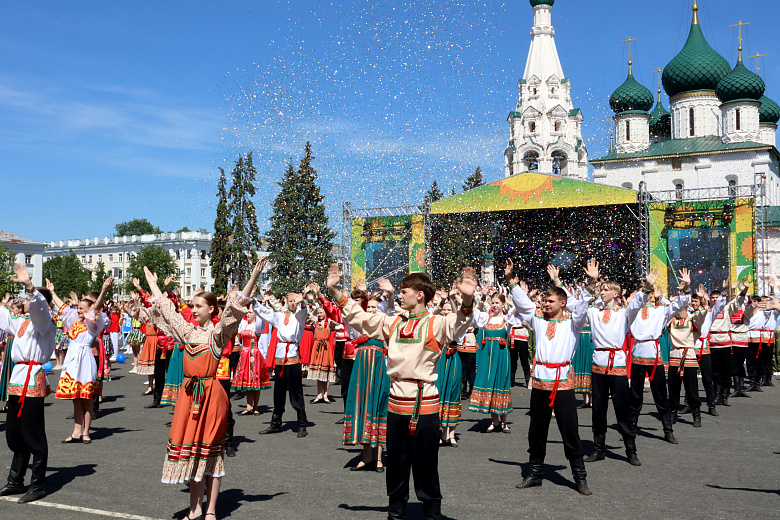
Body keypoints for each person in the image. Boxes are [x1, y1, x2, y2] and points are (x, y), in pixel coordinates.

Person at [327, 263, 476, 520]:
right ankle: (395, 514)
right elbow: (360, 319)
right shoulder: (393, 323)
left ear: (419, 295)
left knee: (426, 465)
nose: (399, 294)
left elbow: (461, 322)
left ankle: (431, 514)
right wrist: (334, 290)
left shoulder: (436, 324)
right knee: (396, 464)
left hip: (424, 404)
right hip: (396, 404)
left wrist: (469, 297)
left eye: (404, 290)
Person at [141, 261, 259, 520]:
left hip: (211, 395)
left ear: (211, 309)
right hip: (188, 396)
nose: (193, 310)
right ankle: (194, 509)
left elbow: (235, 311)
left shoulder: (217, 335)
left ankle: (211, 510)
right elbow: (168, 311)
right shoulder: (186, 331)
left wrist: (253, 276)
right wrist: (152, 284)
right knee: (192, 454)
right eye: (192, 306)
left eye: (198, 306)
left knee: (211, 454)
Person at [508, 259, 593, 495]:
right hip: (540, 381)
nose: (545, 304)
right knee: (536, 429)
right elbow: (523, 303)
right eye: (544, 300)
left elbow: (583, 307)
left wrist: (592, 283)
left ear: (563, 303)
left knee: (569, 430)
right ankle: (535, 473)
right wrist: (510, 280)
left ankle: (579, 476)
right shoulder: (538, 319)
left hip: (562, 381)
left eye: (550, 301)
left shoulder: (573, 322)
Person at [583, 267, 651, 467]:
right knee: (598, 409)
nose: (601, 292)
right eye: (600, 289)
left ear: (615, 293)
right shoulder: (593, 311)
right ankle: (598, 449)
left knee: (623, 409)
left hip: (618, 365)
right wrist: (590, 282)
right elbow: (576, 305)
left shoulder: (624, 313)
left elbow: (638, 302)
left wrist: (647, 286)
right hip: (599, 364)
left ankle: (631, 450)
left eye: (605, 289)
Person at [0, 264, 56, 503]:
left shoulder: (44, 322)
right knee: (14, 433)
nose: (24, 301)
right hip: (17, 378)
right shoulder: (23, 323)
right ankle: (15, 480)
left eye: (29, 298)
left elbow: (40, 309)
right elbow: (4, 317)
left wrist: (31, 287)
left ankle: (38, 484)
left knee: (33, 435)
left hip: (32, 380)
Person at [628, 271, 690, 444]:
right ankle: (631, 430)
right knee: (635, 396)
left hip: (654, 357)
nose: (646, 295)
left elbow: (678, 307)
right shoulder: (633, 311)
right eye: (643, 291)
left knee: (661, 395)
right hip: (637, 355)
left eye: (648, 291)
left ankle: (668, 430)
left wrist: (686, 289)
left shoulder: (661, 310)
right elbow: (632, 304)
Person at [50, 277, 113, 444]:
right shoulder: (73, 321)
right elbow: (62, 308)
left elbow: (97, 306)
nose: (78, 310)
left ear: (88, 309)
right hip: (72, 361)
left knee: (87, 399)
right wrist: (52, 292)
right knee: (76, 399)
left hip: (85, 360)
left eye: (81, 308)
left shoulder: (92, 323)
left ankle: (86, 432)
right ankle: (76, 431)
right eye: (77, 308)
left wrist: (104, 289)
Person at [254, 282, 311, 438]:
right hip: (280, 356)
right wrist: (253, 299)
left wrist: (302, 301)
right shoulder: (280, 315)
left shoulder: (299, 316)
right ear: (286, 301)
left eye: (295, 301)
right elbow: (265, 312)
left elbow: (303, 313)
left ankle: (301, 424)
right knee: (278, 391)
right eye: (291, 300)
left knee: (296, 391)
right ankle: (276, 422)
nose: (293, 303)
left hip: (292, 355)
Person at [469, 292, 521, 433]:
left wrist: (515, 300)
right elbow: (472, 310)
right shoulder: (486, 319)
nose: (494, 305)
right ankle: (494, 421)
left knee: (501, 384)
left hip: (501, 355)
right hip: (487, 356)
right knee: (489, 384)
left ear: (503, 304)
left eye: (497, 302)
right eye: (493, 302)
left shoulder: (507, 319)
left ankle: (504, 422)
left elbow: (519, 310)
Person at [232, 309, 272, 415]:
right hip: (245, 355)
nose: (248, 314)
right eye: (247, 313)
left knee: (255, 381)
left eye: (250, 312)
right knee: (247, 381)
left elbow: (261, 321)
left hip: (254, 355)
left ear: (255, 314)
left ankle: (256, 407)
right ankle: (249, 406)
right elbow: (239, 324)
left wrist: (258, 308)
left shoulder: (257, 327)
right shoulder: (244, 324)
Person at [307, 306, 338, 403]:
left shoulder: (329, 322)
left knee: (326, 372)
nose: (319, 315)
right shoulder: (315, 321)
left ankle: (325, 395)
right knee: (319, 372)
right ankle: (319, 394)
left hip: (325, 347)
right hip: (317, 347)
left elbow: (338, 323)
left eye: (321, 312)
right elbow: (308, 317)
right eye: (318, 313)